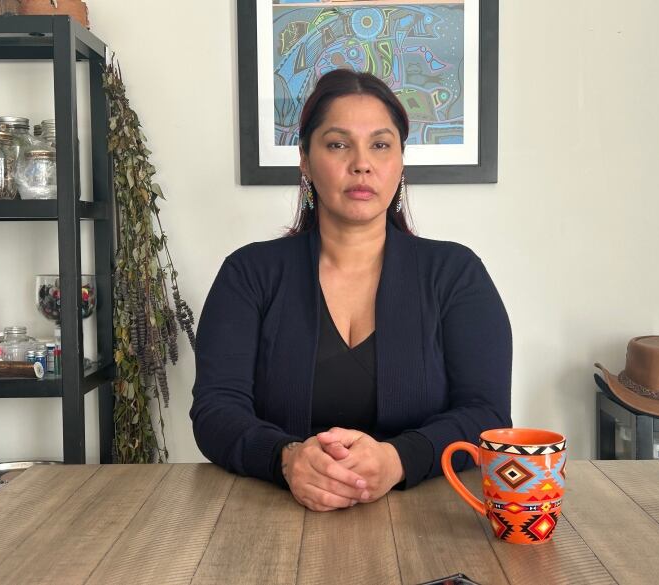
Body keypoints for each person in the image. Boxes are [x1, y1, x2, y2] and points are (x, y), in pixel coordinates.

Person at [190, 69, 512, 512]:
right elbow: (215, 410)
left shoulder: (456, 273)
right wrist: (287, 460)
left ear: (400, 161)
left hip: (431, 518)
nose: (362, 162)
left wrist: (397, 459)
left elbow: (487, 414)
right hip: (270, 517)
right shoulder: (248, 273)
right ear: (305, 159)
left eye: (380, 145)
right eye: (338, 144)